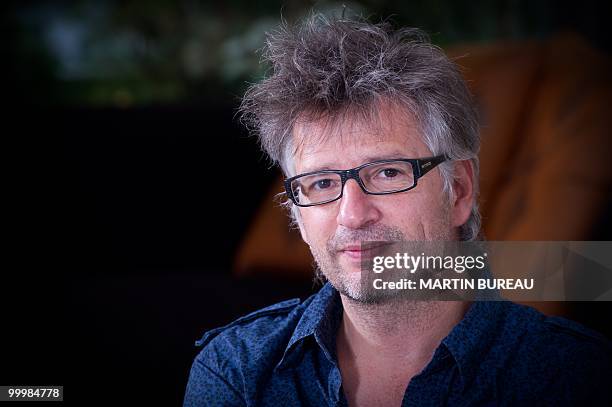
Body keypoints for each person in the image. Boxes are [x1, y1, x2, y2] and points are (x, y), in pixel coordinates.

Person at [184, 13, 611, 406]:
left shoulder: (573, 375)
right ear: (297, 214)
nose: (353, 215)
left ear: (459, 191)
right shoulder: (235, 373)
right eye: (322, 183)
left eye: (387, 173)